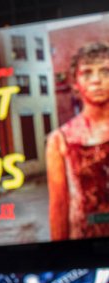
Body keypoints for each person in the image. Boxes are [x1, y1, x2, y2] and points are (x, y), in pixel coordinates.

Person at [47, 41, 109, 240]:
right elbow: (59, 208)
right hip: (85, 244)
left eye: (105, 71)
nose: (96, 80)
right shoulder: (60, 140)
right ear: (75, 83)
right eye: (87, 73)